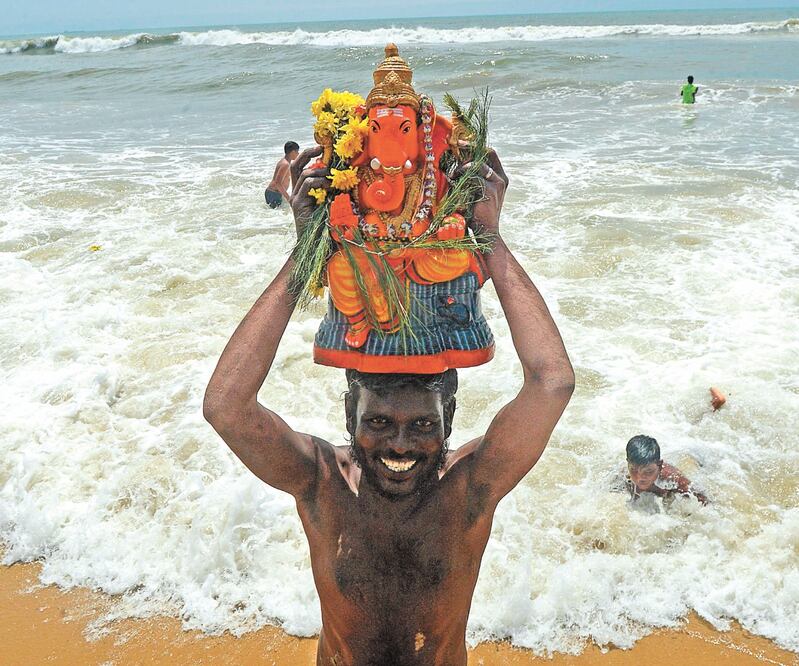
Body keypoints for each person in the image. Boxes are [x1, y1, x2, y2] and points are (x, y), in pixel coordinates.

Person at [204, 145, 575, 665]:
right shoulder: (320, 483)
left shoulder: (468, 490)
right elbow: (226, 406)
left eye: (422, 424)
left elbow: (552, 383)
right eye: (378, 422)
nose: (400, 444)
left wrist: (490, 241)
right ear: (349, 414)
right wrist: (308, 251)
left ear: (449, 418)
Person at [621, 434, 709, 506]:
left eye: (648, 471)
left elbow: (703, 499)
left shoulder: (672, 479)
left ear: (659, 466)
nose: (640, 477)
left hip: (695, 456)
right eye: (634, 470)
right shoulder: (624, 477)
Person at [264, 141, 299, 208]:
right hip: (273, 193)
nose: (298, 154)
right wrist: (289, 199)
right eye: (297, 151)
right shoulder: (285, 164)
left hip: (275, 193)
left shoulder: (285, 162)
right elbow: (277, 183)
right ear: (293, 152)